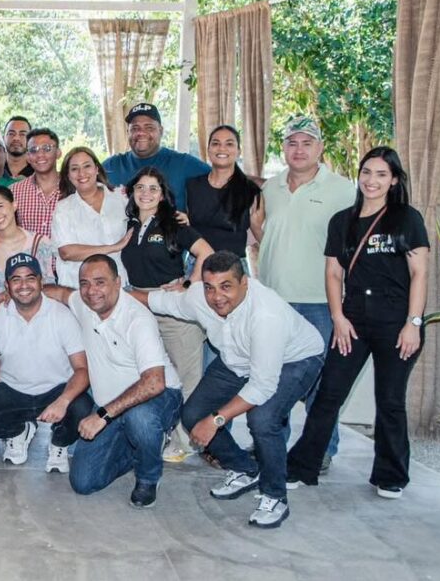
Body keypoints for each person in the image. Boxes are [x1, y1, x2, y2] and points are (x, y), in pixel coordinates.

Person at [131, 251, 325, 529]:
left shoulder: (266, 315)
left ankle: (275, 495)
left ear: (244, 282)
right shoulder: (199, 298)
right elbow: (158, 301)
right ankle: (245, 469)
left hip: (295, 359)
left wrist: (216, 420)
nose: (217, 297)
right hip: (236, 359)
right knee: (192, 414)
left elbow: (262, 386)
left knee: (263, 420)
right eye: (210, 287)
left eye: (226, 287)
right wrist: (116, 293)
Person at [287, 147, 429, 500]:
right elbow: (333, 274)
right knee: (328, 394)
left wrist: (413, 323)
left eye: (381, 174)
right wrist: (338, 317)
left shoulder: (406, 218)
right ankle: (302, 466)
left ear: (393, 180)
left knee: (390, 400)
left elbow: (419, 273)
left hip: (396, 322)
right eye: (367, 172)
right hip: (352, 322)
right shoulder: (343, 221)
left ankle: (391, 476)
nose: (371, 180)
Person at [43, 255, 182, 507]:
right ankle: (142, 448)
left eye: (100, 282)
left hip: (157, 399)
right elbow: (60, 293)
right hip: (111, 406)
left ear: (118, 283)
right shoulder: (85, 304)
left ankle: (148, 476)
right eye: (84, 283)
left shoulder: (138, 319)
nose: (91, 291)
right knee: (83, 482)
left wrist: (102, 416)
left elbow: (154, 383)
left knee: (140, 419)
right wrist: (17, 292)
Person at [258, 116, 356, 470]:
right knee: (273, 378)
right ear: (283, 148)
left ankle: (322, 449)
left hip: (320, 302)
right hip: (274, 301)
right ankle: (271, 442)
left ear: (320, 148)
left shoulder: (344, 190)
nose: (298, 150)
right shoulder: (271, 188)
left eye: (307, 143)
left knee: (320, 383)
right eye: (292, 143)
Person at [0, 253, 92, 473]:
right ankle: (18, 430)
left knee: (82, 407)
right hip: (12, 390)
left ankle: (59, 442)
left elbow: (82, 369)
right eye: (16, 279)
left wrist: (63, 401)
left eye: (30, 278)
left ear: (41, 282)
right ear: (7, 286)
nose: (23, 285)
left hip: (56, 389)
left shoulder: (61, 316)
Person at [120, 166, 213, 462]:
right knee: (150, 374)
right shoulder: (130, 225)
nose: (146, 193)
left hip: (173, 310)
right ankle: (153, 432)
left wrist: (187, 283)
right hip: (139, 307)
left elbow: (206, 253)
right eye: (140, 188)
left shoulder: (174, 223)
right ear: (132, 193)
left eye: (153, 188)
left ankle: (184, 440)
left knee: (187, 376)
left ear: (162, 195)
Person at [102, 103, 210, 212]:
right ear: (128, 133)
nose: (141, 132)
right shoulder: (111, 166)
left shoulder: (183, 164)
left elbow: (218, 181)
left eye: (149, 127)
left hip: (170, 223)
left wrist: (193, 219)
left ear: (161, 131)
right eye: (135, 128)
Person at [51, 146, 130, 289]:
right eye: (74, 169)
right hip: (79, 289)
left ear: (97, 169)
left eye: (87, 166)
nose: (81, 173)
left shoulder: (121, 199)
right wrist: (113, 247)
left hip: (119, 285)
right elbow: (67, 252)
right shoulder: (63, 209)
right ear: (68, 175)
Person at [0, 185, 57, 308]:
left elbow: (49, 288)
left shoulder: (40, 243)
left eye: (0, 206)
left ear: (14, 205)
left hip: (32, 315)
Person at [185, 125, 264, 261]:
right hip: (196, 264)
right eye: (216, 143)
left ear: (238, 151)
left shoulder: (251, 191)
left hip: (233, 267)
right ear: (208, 149)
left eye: (229, 144)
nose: (222, 148)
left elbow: (259, 232)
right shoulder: (192, 186)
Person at [10, 128, 62, 238]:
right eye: (33, 150)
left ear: (58, 153)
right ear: (28, 157)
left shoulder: (74, 187)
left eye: (47, 148)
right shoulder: (14, 192)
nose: (40, 155)